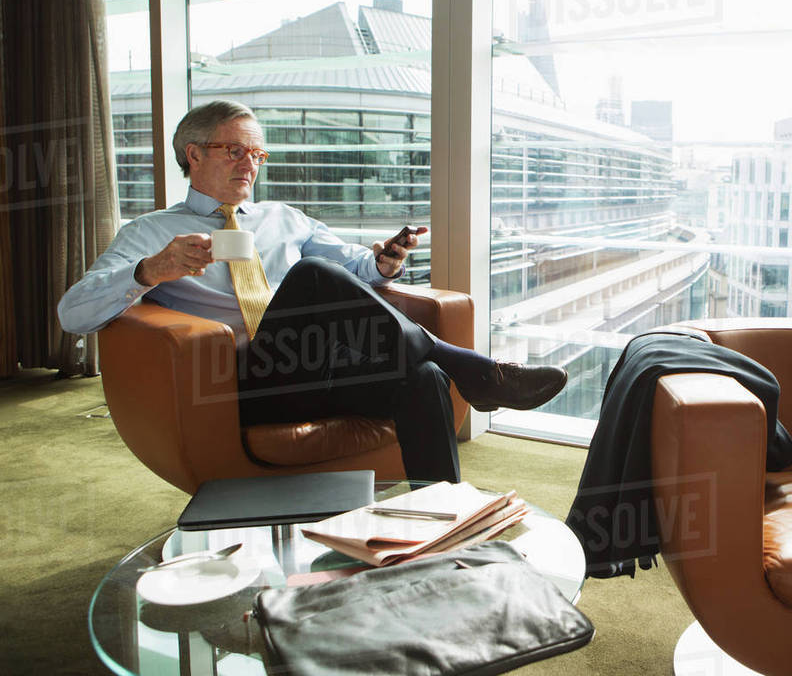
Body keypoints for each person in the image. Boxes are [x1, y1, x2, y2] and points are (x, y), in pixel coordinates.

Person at [59, 100, 567, 482]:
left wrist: (383, 262)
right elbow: (72, 313)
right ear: (192, 154)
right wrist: (151, 270)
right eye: (234, 150)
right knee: (309, 277)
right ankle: (478, 372)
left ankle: (440, 517)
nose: (249, 164)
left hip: (318, 369)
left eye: (256, 153)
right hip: (242, 385)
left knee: (424, 375)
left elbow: (355, 267)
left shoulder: (284, 217)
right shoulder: (149, 233)